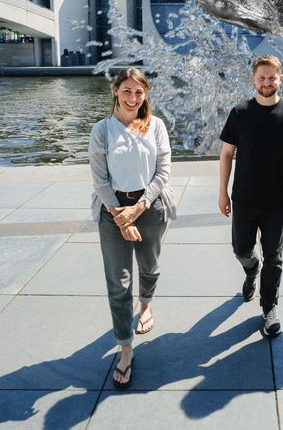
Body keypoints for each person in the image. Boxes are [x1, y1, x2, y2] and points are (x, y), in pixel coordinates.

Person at [89, 67, 172, 388]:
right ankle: (125, 349)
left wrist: (138, 208)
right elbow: (100, 178)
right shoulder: (102, 130)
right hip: (112, 210)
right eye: (127, 91)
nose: (133, 98)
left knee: (149, 266)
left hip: (150, 207)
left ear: (145, 94)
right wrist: (120, 215)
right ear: (115, 92)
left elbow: (163, 171)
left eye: (139, 92)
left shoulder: (157, 126)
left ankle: (146, 306)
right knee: (118, 281)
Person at [218, 54, 283, 337]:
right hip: (244, 198)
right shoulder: (240, 112)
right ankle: (250, 269)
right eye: (262, 78)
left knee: (275, 256)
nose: (267, 82)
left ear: (281, 78)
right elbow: (226, 155)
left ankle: (269, 307)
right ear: (253, 79)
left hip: (278, 200)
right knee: (241, 249)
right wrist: (222, 192)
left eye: (272, 77)